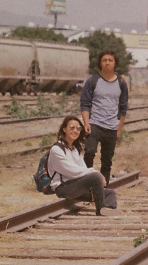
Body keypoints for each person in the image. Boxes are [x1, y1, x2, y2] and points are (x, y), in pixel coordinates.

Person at [47, 115, 118, 216]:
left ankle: (108, 209)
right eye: (72, 128)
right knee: (95, 176)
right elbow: (72, 171)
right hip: (64, 188)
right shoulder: (57, 149)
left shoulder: (75, 149)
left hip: (77, 187)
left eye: (78, 128)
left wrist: (93, 186)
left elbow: (83, 169)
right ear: (64, 129)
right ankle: (100, 210)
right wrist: (95, 173)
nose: (75, 131)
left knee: (111, 193)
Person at [80, 50, 129, 185]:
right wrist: (86, 123)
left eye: (110, 60)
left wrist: (119, 129)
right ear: (100, 63)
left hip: (112, 126)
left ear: (115, 63)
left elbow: (123, 108)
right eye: (104, 60)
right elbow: (85, 104)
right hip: (94, 123)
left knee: (107, 160)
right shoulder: (93, 81)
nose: (107, 63)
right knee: (89, 152)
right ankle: (86, 183)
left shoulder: (121, 83)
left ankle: (103, 188)